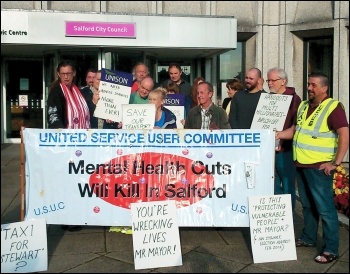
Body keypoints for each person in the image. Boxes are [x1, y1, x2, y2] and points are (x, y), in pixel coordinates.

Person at [277, 72, 349, 264]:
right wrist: (275, 134)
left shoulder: (333, 107)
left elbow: (344, 133)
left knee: (325, 209)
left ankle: (331, 249)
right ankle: (309, 238)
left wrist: (336, 162)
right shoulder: (303, 105)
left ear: (324, 88)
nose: (309, 88)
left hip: (319, 167)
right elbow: (295, 130)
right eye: (308, 84)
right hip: (301, 163)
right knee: (307, 206)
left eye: (313, 85)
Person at [47, 60, 91, 232]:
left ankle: (77, 214)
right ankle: (67, 218)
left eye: (68, 73)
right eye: (62, 73)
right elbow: (53, 117)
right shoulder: (56, 92)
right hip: (66, 145)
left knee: (78, 181)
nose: (65, 76)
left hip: (80, 144)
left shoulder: (77, 90)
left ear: (74, 74)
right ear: (59, 74)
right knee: (67, 182)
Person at [267, 67, 301, 212]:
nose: (269, 84)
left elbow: (295, 126)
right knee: (272, 185)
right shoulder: (268, 97)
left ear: (283, 81)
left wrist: (281, 140)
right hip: (269, 150)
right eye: (268, 80)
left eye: (273, 80)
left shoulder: (294, 99)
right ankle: (277, 218)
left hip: (285, 150)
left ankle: (288, 220)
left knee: (287, 186)